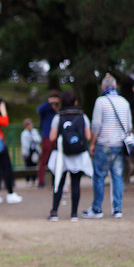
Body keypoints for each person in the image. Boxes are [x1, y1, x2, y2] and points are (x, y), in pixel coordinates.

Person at [82, 73, 132, 219]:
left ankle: (97, 208)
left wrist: (92, 143)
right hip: (119, 144)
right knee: (117, 177)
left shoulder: (100, 102)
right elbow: (129, 125)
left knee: (99, 177)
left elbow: (96, 124)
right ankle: (117, 209)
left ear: (103, 87)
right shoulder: (124, 102)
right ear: (115, 86)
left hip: (104, 144)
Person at [47, 90, 93, 221]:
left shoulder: (58, 117)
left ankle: (54, 212)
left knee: (59, 183)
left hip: (62, 155)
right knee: (76, 184)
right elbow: (88, 136)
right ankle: (74, 214)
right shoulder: (83, 116)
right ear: (75, 102)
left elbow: (52, 137)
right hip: (78, 154)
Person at [37, 90, 61, 187]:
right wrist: (49, 102)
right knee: (44, 159)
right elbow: (39, 109)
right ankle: (41, 181)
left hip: (58, 136)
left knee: (57, 159)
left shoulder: (59, 110)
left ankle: (55, 180)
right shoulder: (46, 109)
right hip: (47, 136)